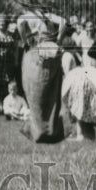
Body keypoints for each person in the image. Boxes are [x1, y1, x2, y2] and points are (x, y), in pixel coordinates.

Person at [16, 13, 66, 143]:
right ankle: (51, 130)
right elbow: (63, 21)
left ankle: (38, 132)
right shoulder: (47, 15)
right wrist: (58, 39)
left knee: (35, 96)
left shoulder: (24, 16)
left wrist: (24, 40)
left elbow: (21, 25)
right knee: (52, 93)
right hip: (52, 49)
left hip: (36, 52)